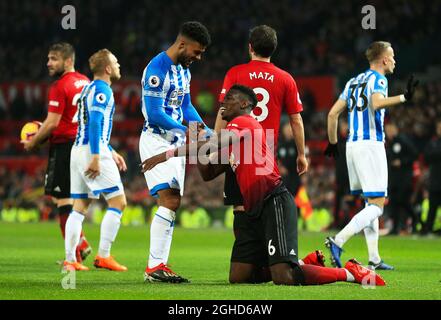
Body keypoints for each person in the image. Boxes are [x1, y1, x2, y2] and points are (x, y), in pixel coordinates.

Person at [141, 85, 386, 286]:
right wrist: (193, 131)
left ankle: (350, 273)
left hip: (274, 201)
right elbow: (208, 172)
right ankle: (302, 263)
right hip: (253, 211)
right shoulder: (236, 139)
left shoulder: (245, 123)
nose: (223, 103)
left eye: (231, 99)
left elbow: (213, 145)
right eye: (224, 99)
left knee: (284, 278)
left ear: (245, 105)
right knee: (240, 277)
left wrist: (166, 154)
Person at [214, 25, 308, 273]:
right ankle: (272, 255)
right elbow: (296, 119)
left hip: (237, 145)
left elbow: (223, 112)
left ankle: (249, 257)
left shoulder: (235, 73)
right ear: (273, 49)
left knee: (240, 205)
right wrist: (302, 153)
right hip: (264, 145)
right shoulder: (285, 78)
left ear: (250, 47)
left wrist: (216, 143)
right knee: (263, 201)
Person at [324, 41, 419, 270]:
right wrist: (404, 97)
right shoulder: (379, 79)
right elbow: (376, 103)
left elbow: (332, 114)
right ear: (384, 59)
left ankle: (374, 257)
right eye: (392, 56)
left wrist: (333, 143)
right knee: (377, 206)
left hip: (352, 147)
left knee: (369, 202)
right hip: (371, 146)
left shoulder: (353, 81)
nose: (395, 60)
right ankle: (337, 241)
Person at [139, 21, 211, 283]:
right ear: (182, 44)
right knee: (169, 199)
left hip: (176, 142)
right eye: (197, 51)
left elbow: (187, 105)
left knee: (173, 202)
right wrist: (186, 130)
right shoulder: (156, 70)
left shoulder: (184, 71)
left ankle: (158, 266)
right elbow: (156, 114)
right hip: (156, 140)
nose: (198, 57)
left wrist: (204, 129)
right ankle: (154, 267)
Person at [22, 43, 92, 263]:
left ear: (68, 61)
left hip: (64, 147)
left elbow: (52, 124)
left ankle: (75, 255)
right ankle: (80, 243)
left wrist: (34, 143)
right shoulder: (87, 83)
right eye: (48, 58)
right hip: (83, 145)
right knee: (70, 197)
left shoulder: (60, 86)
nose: (48, 63)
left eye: (53, 59)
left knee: (62, 200)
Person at [63, 49, 128, 272]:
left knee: (80, 205)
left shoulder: (88, 89)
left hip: (78, 150)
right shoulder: (103, 89)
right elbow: (95, 123)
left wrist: (111, 150)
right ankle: (103, 256)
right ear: (108, 68)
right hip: (91, 150)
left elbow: (87, 123)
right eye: (116, 62)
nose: (119, 65)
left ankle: (70, 260)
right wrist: (97, 156)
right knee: (118, 202)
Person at [385, 122, 419, 234]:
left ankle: (415, 220)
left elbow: (414, 154)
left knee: (402, 202)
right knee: (394, 203)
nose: (388, 133)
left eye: (390, 130)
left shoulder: (403, 140)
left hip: (404, 178)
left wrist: (402, 162)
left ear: (395, 129)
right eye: (387, 130)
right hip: (394, 179)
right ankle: (395, 229)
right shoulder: (389, 143)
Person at [421, 118, 441, 235]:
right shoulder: (432, 142)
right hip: (435, 180)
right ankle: (428, 229)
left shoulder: (434, 145)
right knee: (432, 207)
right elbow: (427, 157)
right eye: (439, 128)